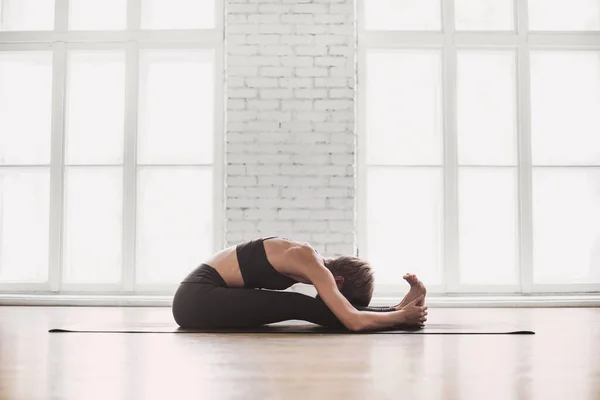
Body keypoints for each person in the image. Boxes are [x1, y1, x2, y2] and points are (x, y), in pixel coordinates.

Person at [172, 236, 428, 331]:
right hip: (196, 300)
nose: (333, 302)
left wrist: (397, 311)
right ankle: (399, 313)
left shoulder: (308, 258)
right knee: (296, 303)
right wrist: (400, 319)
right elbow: (352, 320)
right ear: (338, 281)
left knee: (299, 304)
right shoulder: (312, 263)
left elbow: (347, 312)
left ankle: (397, 309)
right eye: (341, 297)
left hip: (200, 299)